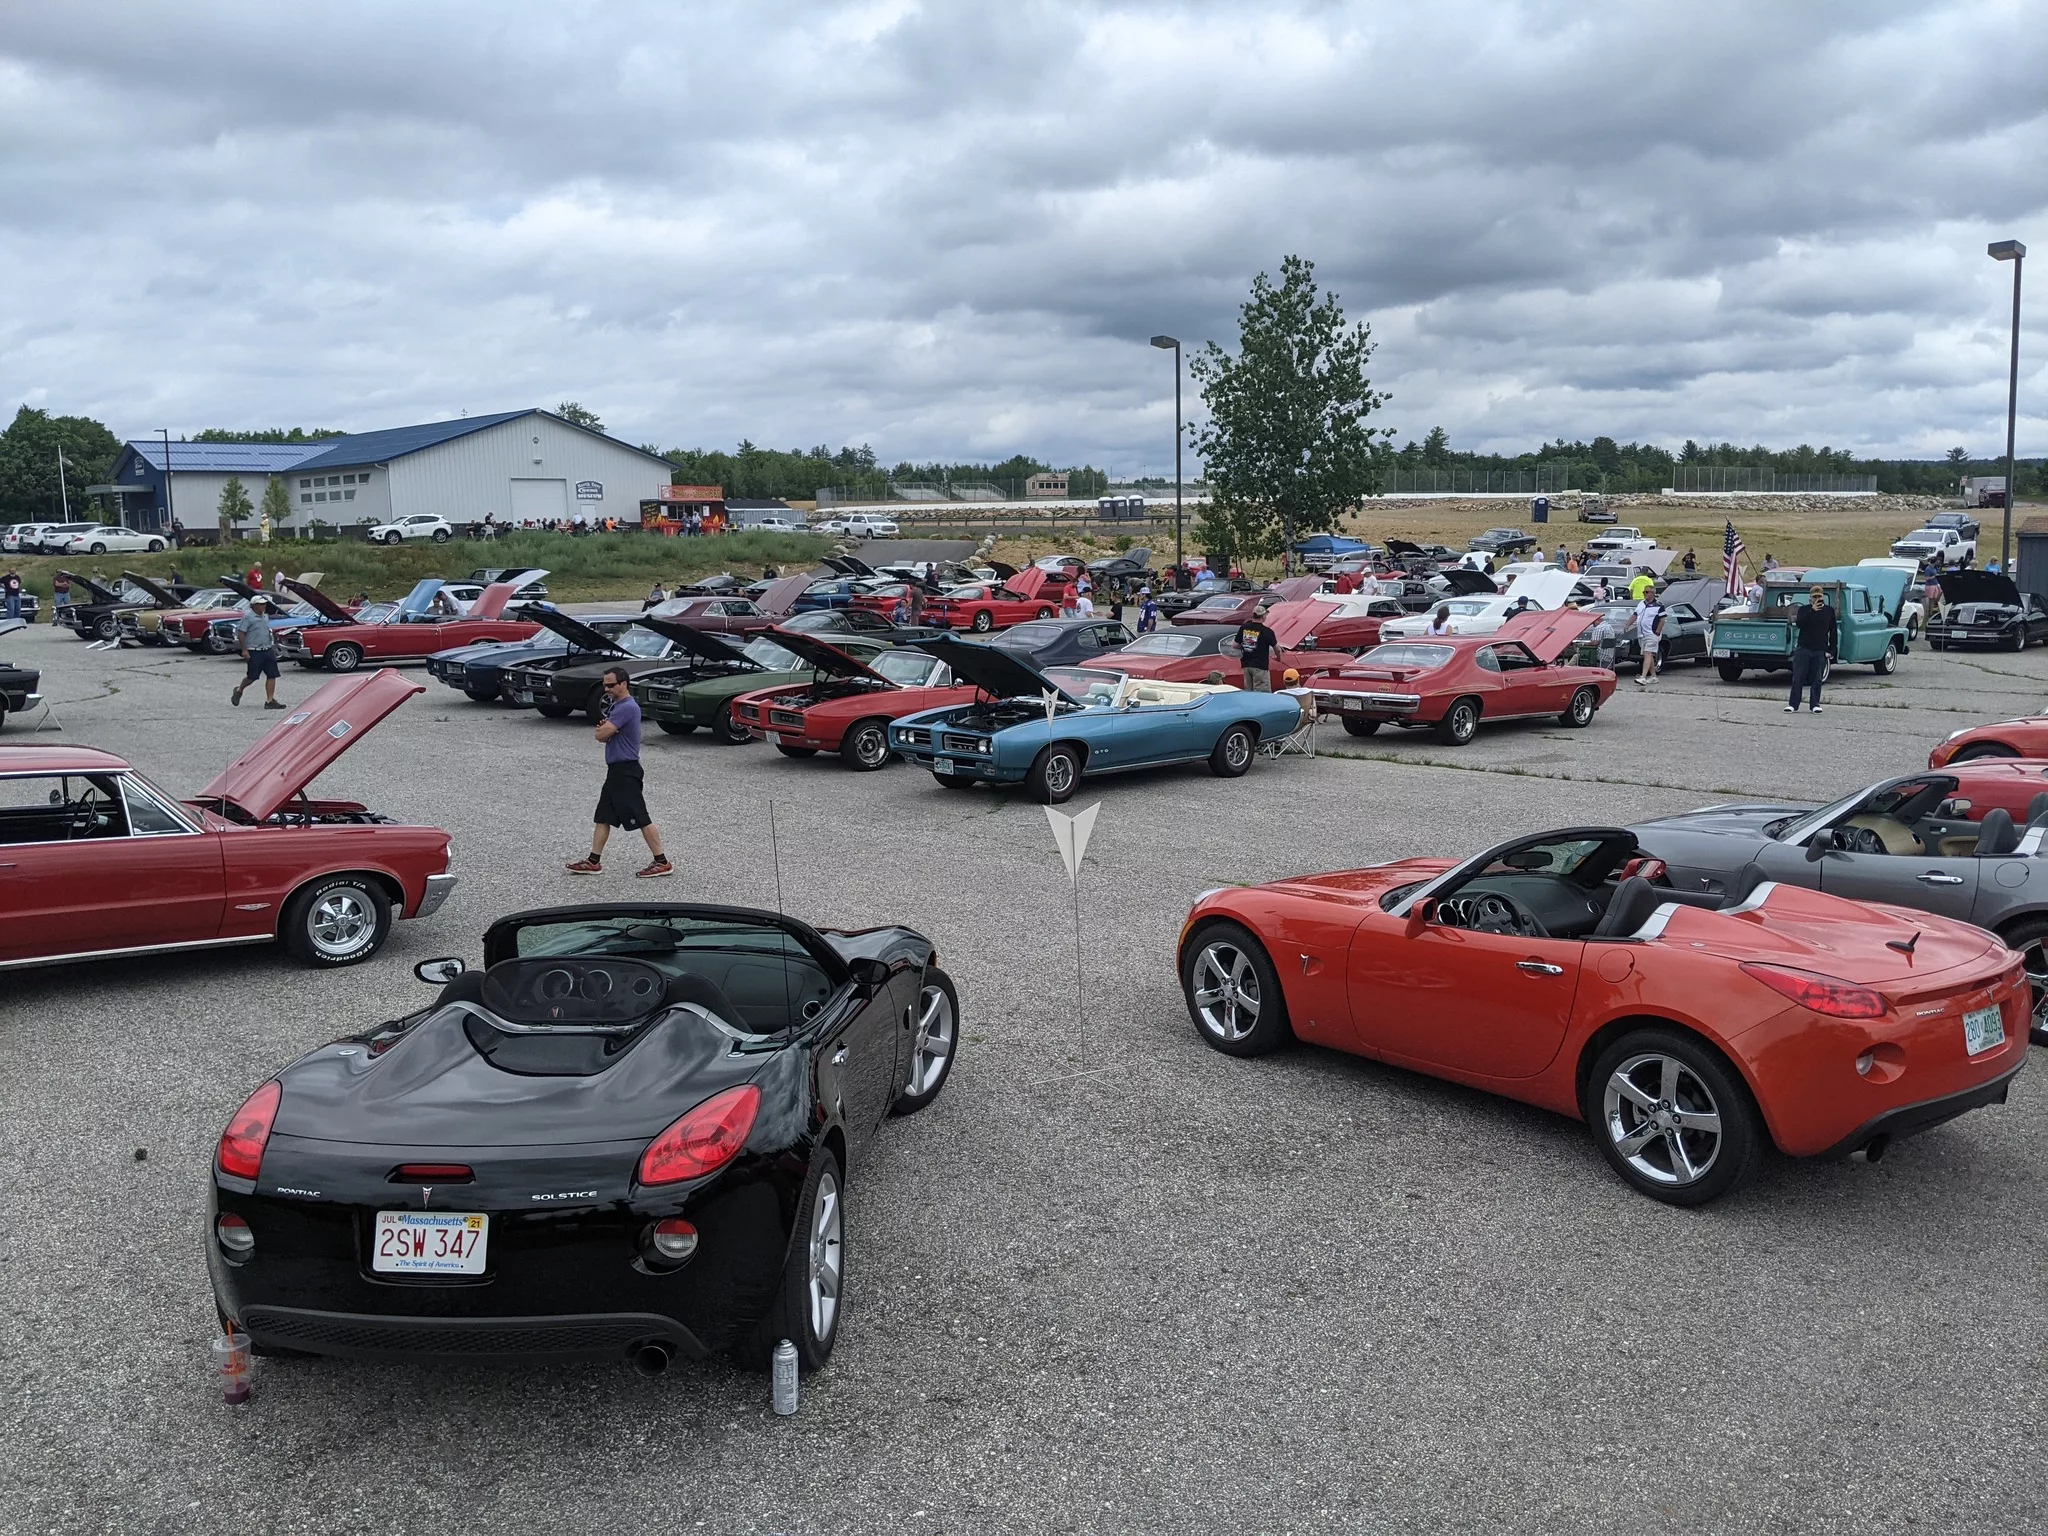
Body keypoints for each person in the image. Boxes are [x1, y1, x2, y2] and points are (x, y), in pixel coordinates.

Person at [565, 667, 672, 877]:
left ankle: (662, 861)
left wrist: (605, 730)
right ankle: (593, 861)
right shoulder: (617, 707)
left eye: (611, 685)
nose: (607, 689)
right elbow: (605, 735)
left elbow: (601, 734)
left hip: (626, 771)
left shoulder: (626, 707)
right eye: (605, 685)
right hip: (616, 771)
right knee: (603, 816)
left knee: (641, 816)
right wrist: (606, 731)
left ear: (623, 684)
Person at [1787, 584, 1835, 714]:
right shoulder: (1804, 610)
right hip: (1804, 647)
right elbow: (1800, 624)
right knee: (1798, 677)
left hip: (1819, 648)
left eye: (1819, 596)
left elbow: (1833, 630)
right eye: (1814, 597)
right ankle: (1793, 704)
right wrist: (1812, 611)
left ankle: (1815, 704)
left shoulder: (1829, 611)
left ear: (1823, 597)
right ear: (1810, 598)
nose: (1817, 599)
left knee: (1816, 678)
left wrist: (1832, 649)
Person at [230, 596, 285, 709]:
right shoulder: (248, 618)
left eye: (264, 604)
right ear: (253, 606)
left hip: (267, 649)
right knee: (252, 677)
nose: (263, 606)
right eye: (260, 604)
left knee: (272, 674)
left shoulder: (265, 617)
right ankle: (239, 690)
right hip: (254, 651)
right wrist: (244, 650)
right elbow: (241, 634)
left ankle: (270, 701)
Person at [1235, 614, 1278, 690]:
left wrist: (1246, 646)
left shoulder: (1244, 628)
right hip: (1260, 666)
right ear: (1263, 617)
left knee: (1249, 692)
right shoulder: (1267, 631)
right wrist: (1279, 658)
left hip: (1246, 665)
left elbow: (1235, 645)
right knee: (1261, 693)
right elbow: (1277, 649)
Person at [1633, 591, 1663, 685]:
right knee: (1648, 656)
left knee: (1648, 653)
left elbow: (1663, 620)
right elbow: (1635, 615)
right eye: (1643, 592)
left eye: (1646, 592)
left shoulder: (1659, 605)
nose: (1644, 594)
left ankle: (1643, 677)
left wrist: (1657, 631)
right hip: (1642, 634)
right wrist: (1627, 624)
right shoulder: (1641, 603)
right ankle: (1653, 676)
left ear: (1653, 593)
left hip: (1651, 633)